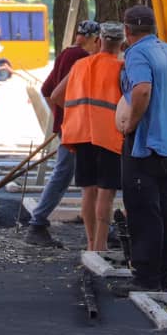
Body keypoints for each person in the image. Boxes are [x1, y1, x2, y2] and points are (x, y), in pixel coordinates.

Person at [112, 5, 167, 294]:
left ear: (127, 31)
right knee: (163, 210)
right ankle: (164, 276)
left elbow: (141, 89)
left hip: (144, 145)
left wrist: (133, 123)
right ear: (153, 28)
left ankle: (146, 279)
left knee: (142, 212)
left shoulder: (137, 53)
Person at [23, 20, 101, 247]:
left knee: (68, 174)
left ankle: (88, 220)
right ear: (94, 39)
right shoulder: (82, 58)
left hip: (67, 126)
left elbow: (47, 91)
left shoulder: (66, 54)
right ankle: (37, 224)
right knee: (66, 174)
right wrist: (71, 115)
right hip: (76, 129)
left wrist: (59, 115)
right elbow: (57, 94)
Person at [52, 21, 124, 252]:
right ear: (121, 44)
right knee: (106, 192)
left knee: (88, 191)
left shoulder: (80, 65)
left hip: (81, 134)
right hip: (110, 135)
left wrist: (76, 113)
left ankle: (91, 241)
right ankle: (100, 246)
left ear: (100, 41)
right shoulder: (122, 67)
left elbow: (56, 96)